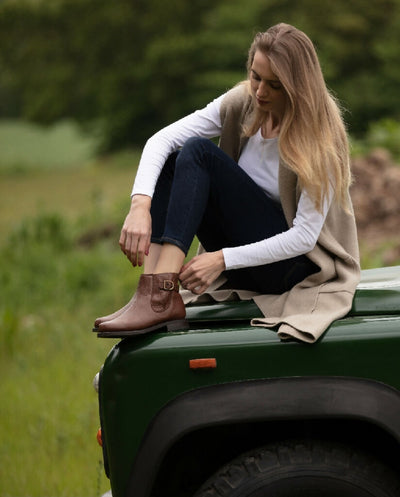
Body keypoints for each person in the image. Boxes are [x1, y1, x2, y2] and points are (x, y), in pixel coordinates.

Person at [94, 23, 360, 343]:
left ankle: (160, 296)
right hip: (245, 255)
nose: (260, 91)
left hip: (291, 268)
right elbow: (160, 140)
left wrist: (220, 259)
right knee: (171, 161)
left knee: (199, 153)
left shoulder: (321, 135)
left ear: (298, 86)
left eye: (275, 85)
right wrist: (139, 205)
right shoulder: (243, 102)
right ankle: (153, 293)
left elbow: (304, 237)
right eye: (255, 76)